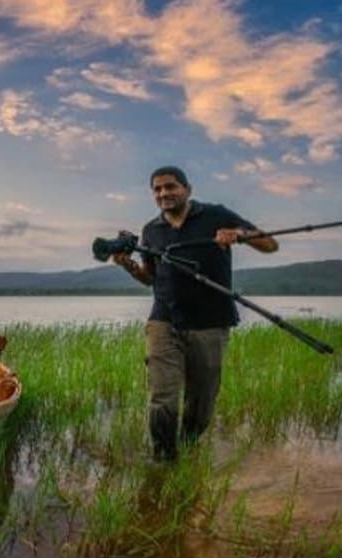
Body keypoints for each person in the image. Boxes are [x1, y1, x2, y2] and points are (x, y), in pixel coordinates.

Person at [113, 166, 278, 461]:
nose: (164, 193)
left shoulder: (216, 214)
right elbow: (150, 278)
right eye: (157, 189)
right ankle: (164, 460)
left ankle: (189, 450)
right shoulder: (151, 231)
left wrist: (239, 235)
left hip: (210, 322)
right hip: (164, 320)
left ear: (187, 189)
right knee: (162, 397)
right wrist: (128, 265)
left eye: (170, 186)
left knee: (201, 401)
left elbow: (270, 244)